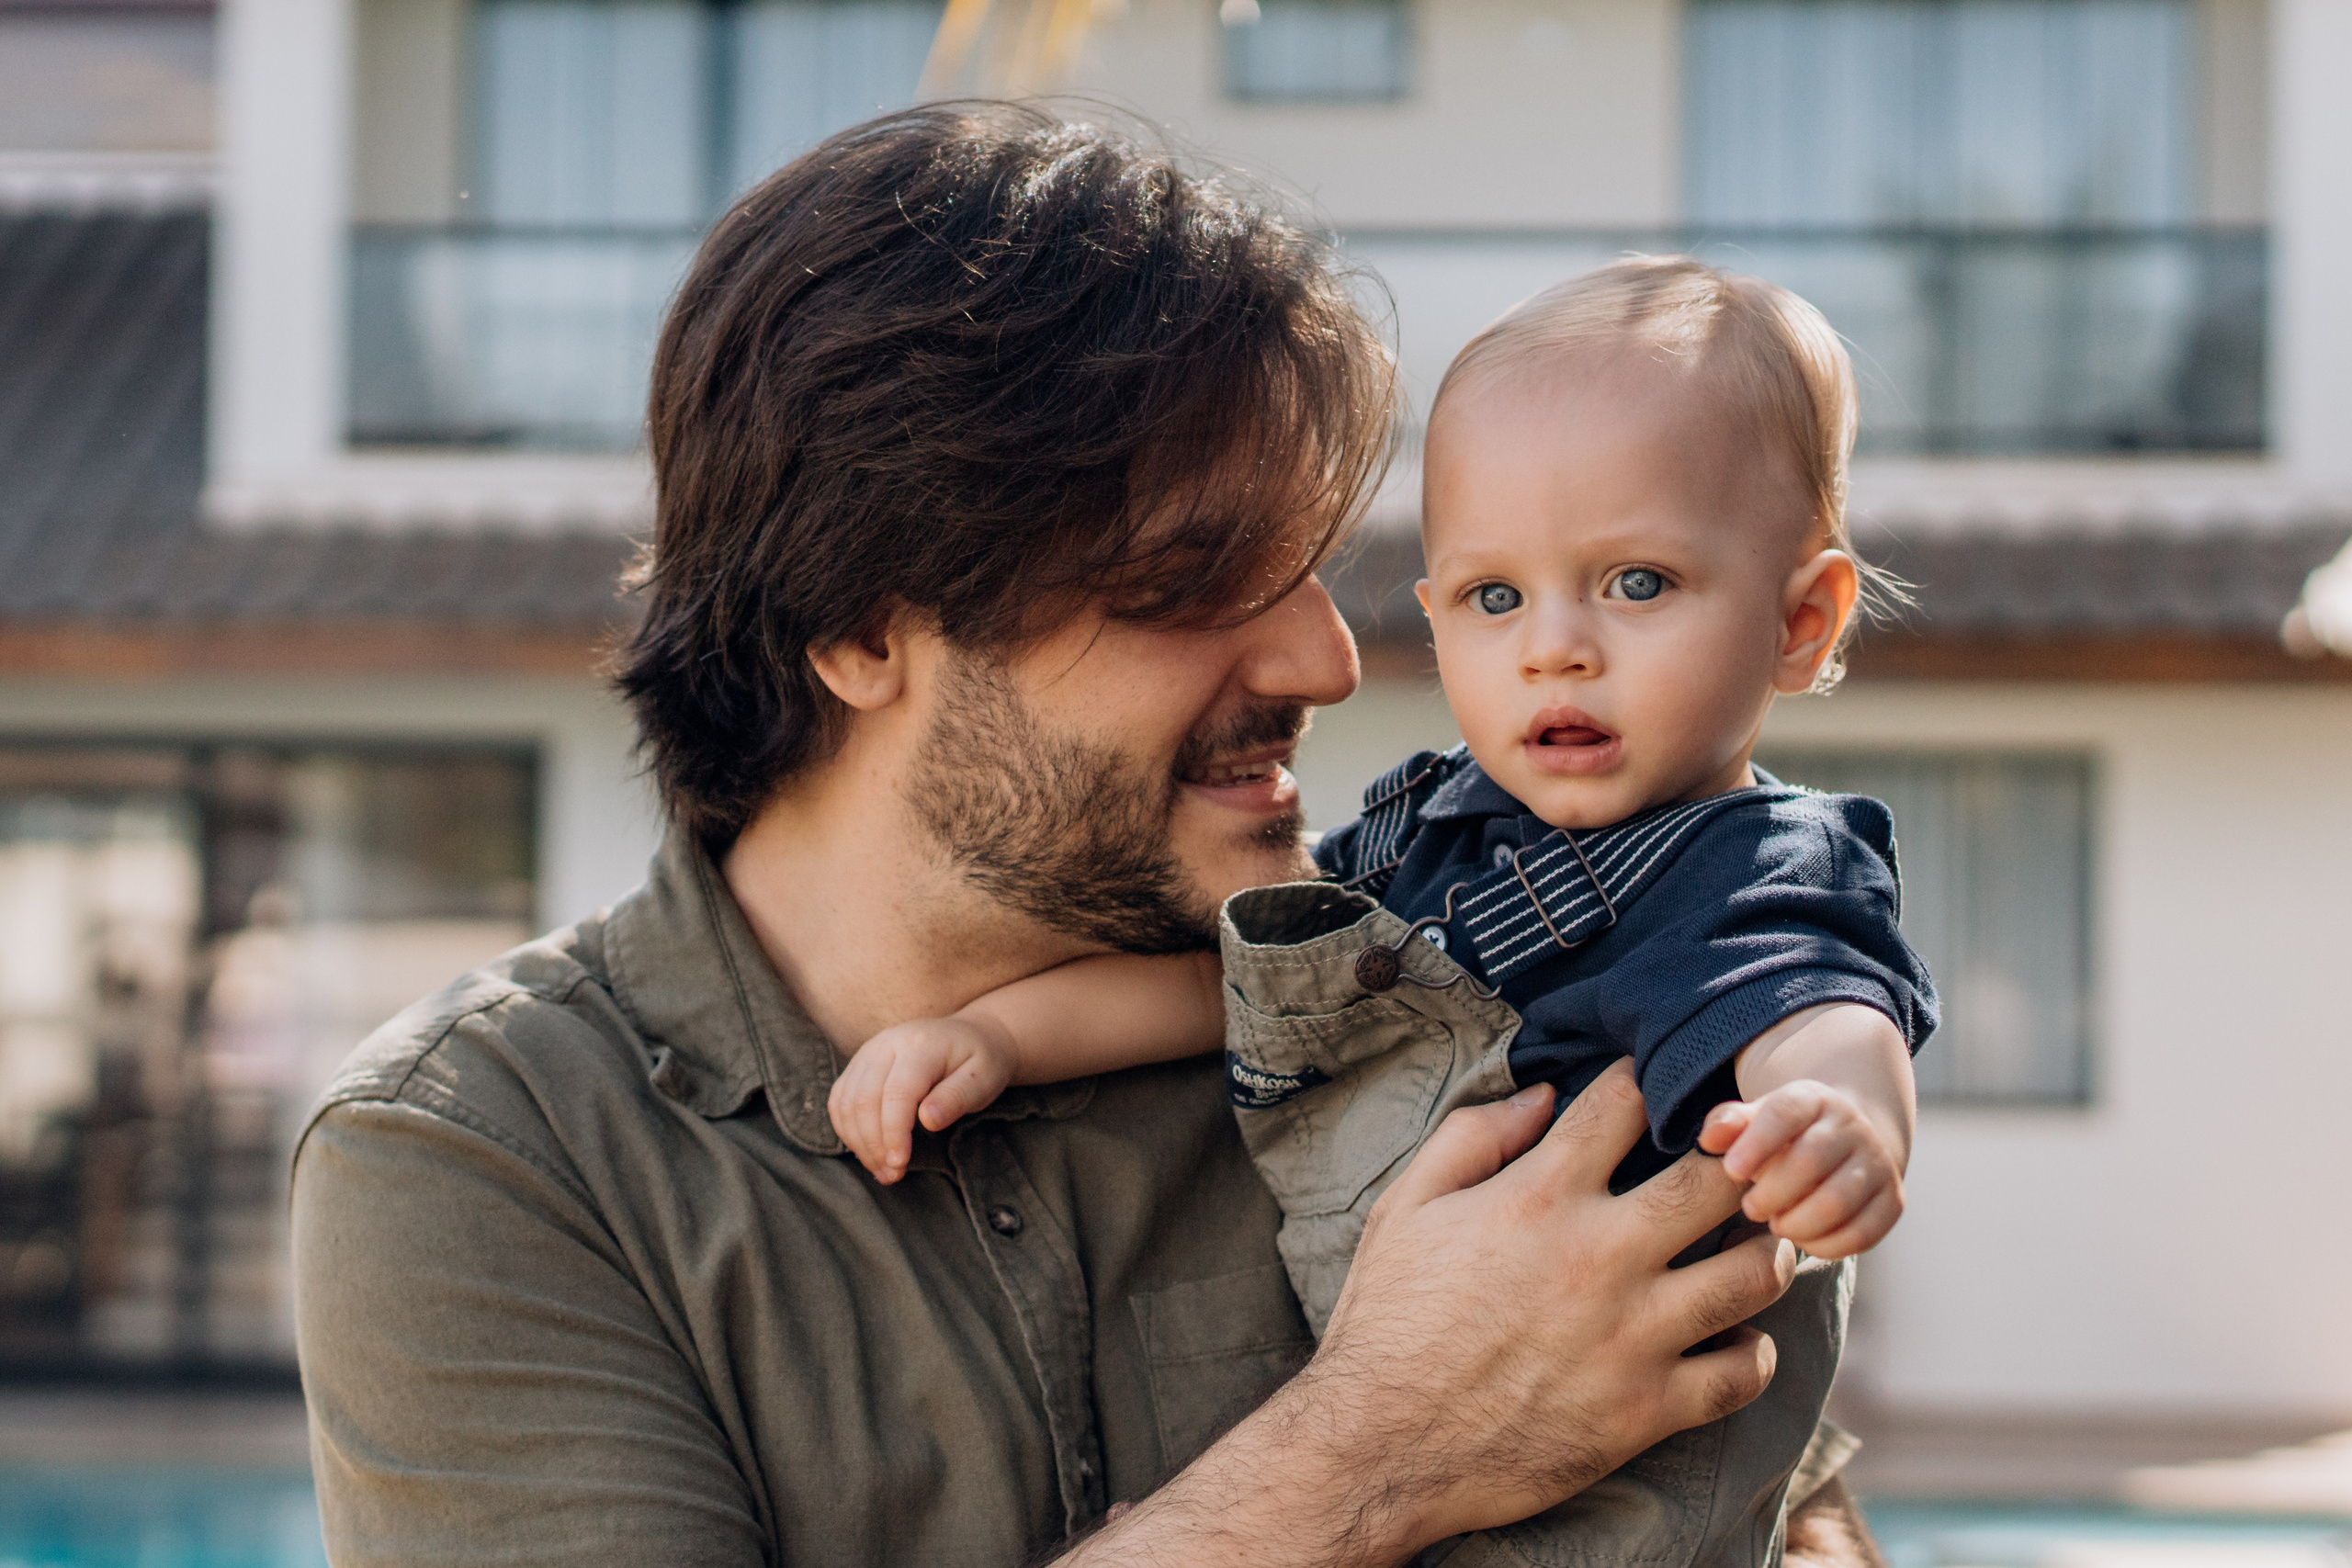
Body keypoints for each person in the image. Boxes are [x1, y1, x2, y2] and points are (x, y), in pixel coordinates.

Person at [290, 108, 1887, 1567]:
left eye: (1315, 569)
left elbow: (1794, 1520)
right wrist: (1378, 1448)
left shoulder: (1384, 981)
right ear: (861, 629)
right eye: (1194, 582)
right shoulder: (487, 1158)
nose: (1329, 662)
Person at [831, 258, 1937, 1567]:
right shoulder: (1428, 833)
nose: (1555, 647)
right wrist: (1000, 1038)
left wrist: (1843, 1122)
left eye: (1637, 584)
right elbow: (1232, 985)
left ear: (1801, 623)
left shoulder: (1754, 866)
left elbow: (1821, 1010)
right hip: (1415, 1464)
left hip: (1627, 1501)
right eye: (1494, 598)